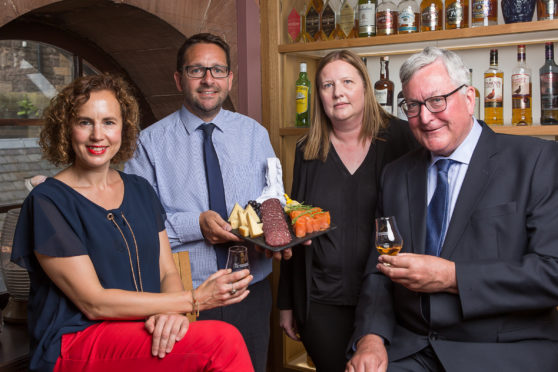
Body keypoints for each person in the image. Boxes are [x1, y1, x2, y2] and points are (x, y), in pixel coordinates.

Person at [11, 74, 255, 372]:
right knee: (221, 341)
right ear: (66, 129)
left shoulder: (140, 189)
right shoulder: (49, 201)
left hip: (141, 328)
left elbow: (167, 271)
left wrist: (172, 312)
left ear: (123, 129)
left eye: (109, 122)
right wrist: (193, 300)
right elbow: (94, 303)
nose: (97, 135)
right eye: (85, 122)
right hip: (75, 341)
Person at [346, 46, 558, 372]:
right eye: (413, 106)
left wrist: (452, 277)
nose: (425, 117)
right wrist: (371, 338)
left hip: (501, 350)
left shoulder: (535, 161)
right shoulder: (396, 174)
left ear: (470, 97)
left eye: (436, 100)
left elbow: (551, 273)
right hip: (412, 348)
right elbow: (380, 267)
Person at [124, 33, 283, 372]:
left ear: (230, 78)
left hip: (249, 291)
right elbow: (138, 224)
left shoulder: (255, 134)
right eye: (197, 70)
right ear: (179, 78)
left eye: (217, 70)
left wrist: (278, 234)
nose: (208, 79)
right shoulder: (148, 144)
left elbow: (273, 198)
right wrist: (194, 223)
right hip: (184, 297)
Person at [277, 50, 417, 372]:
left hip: (390, 298)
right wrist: (286, 303)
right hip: (321, 302)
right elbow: (295, 227)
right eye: (327, 85)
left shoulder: (402, 138)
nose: (338, 92)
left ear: (365, 88)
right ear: (319, 97)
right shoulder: (307, 149)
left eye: (347, 82)